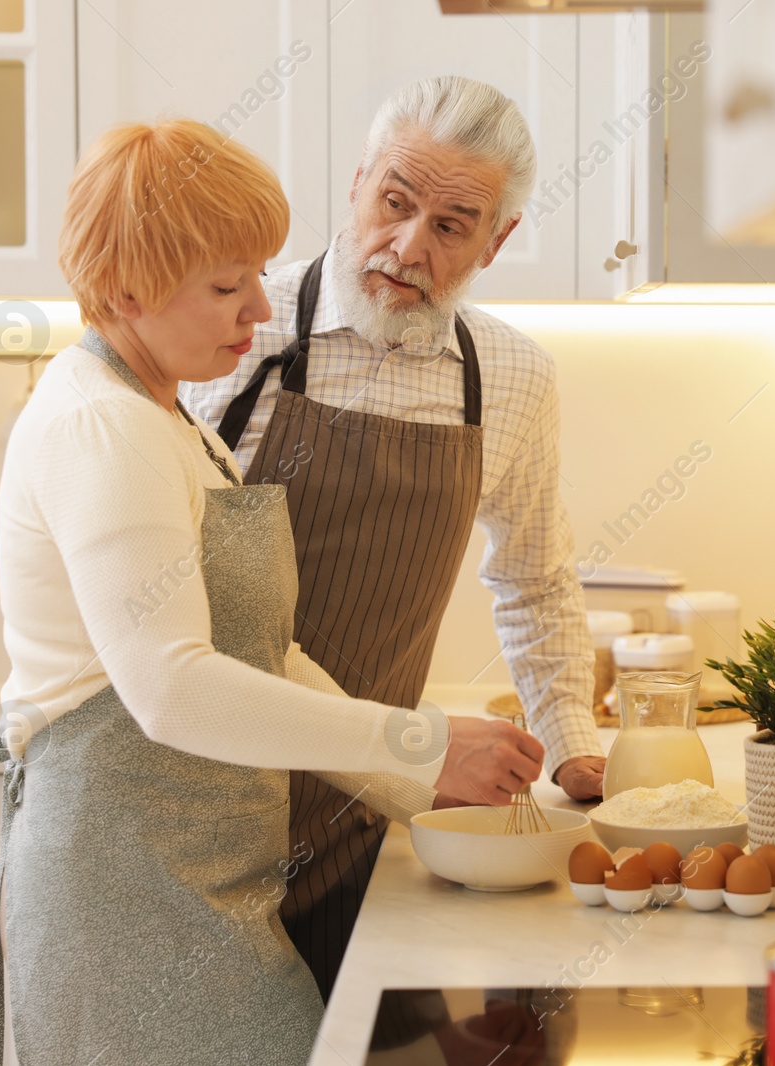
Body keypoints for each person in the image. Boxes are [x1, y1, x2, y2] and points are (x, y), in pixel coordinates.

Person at [0, 119, 543, 1066]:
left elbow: (262, 650)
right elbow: (172, 687)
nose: (256, 307)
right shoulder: (99, 428)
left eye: (255, 273)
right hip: (126, 903)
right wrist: (423, 742)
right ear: (124, 287)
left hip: (206, 887)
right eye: (223, 284)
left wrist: (426, 777)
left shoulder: (168, 420)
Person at [182, 75, 606, 998]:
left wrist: (571, 740)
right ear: (358, 181)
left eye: (452, 225)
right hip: (194, 807)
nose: (408, 246)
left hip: (358, 818)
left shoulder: (514, 381)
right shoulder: (229, 337)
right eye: (395, 202)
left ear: (498, 241)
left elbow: (534, 579)